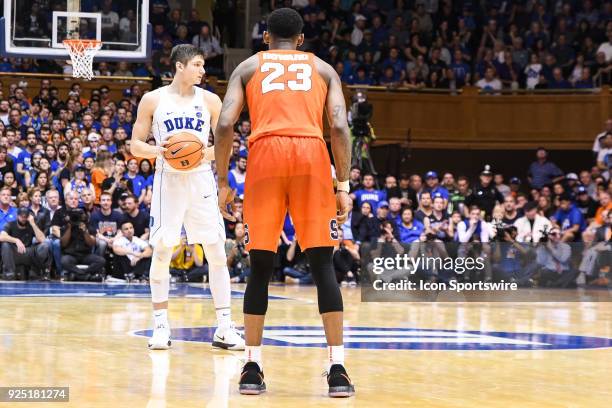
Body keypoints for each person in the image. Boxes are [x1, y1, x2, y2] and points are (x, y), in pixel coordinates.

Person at [214, 8, 354, 397]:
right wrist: (341, 183)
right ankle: (337, 367)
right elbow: (340, 127)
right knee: (323, 263)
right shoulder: (324, 70)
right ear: (301, 39)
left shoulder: (247, 67)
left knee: (260, 263)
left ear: (265, 39)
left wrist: (224, 181)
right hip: (311, 154)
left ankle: (252, 366)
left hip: (265, 154)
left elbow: (225, 124)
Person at [130, 44, 244, 351]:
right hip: (169, 179)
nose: (203, 70)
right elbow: (135, 146)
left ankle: (224, 328)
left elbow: (225, 144)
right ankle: (161, 327)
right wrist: (162, 152)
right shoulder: (153, 99)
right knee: (163, 250)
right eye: (197, 64)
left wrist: (201, 155)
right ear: (180, 66)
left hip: (201, 179)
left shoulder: (210, 100)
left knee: (217, 251)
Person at [0, 207, 50, 280]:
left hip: (28, 253)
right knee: (5, 245)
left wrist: (33, 224)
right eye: (21, 216)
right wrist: (16, 240)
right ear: (17, 216)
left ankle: (38, 272)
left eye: (25, 216)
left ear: (28, 216)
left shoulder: (31, 225)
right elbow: (1, 237)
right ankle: (9, 273)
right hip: (14, 253)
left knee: (44, 246)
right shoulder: (10, 224)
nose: (23, 218)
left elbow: (42, 239)